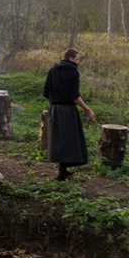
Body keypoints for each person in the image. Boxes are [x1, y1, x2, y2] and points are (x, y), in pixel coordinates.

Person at [43, 48, 96, 180]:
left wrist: (56, 101)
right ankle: (63, 171)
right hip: (67, 110)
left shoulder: (52, 70)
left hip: (54, 109)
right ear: (71, 58)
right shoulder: (73, 70)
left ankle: (63, 171)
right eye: (77, 59)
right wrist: (88, 110)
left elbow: (46, 93)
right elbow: (74, 96)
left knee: (59, 140)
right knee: (71, 140)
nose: (78, 62)